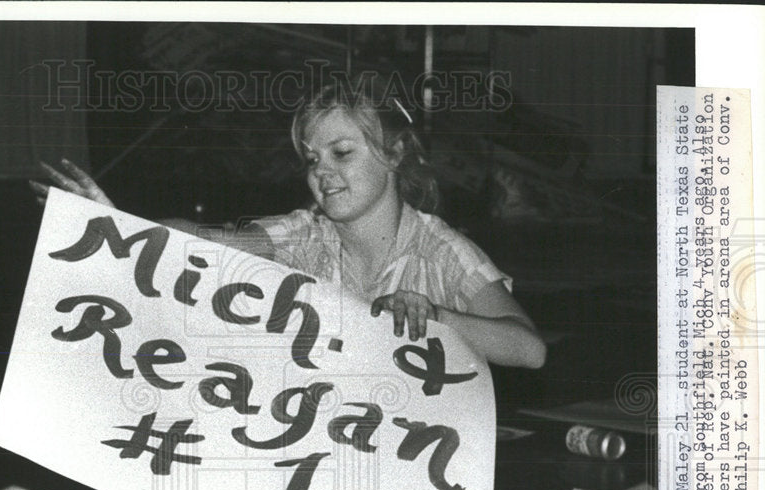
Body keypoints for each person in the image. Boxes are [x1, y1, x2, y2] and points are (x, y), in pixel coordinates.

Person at [31, 78, 546, 369]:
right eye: (311, 158)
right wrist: (120, 225)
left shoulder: (443, 250)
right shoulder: (306, 232)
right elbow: (208, 240)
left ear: (393, 153)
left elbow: (530, 350)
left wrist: (435, 315)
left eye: (341, 152)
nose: (322, 171)